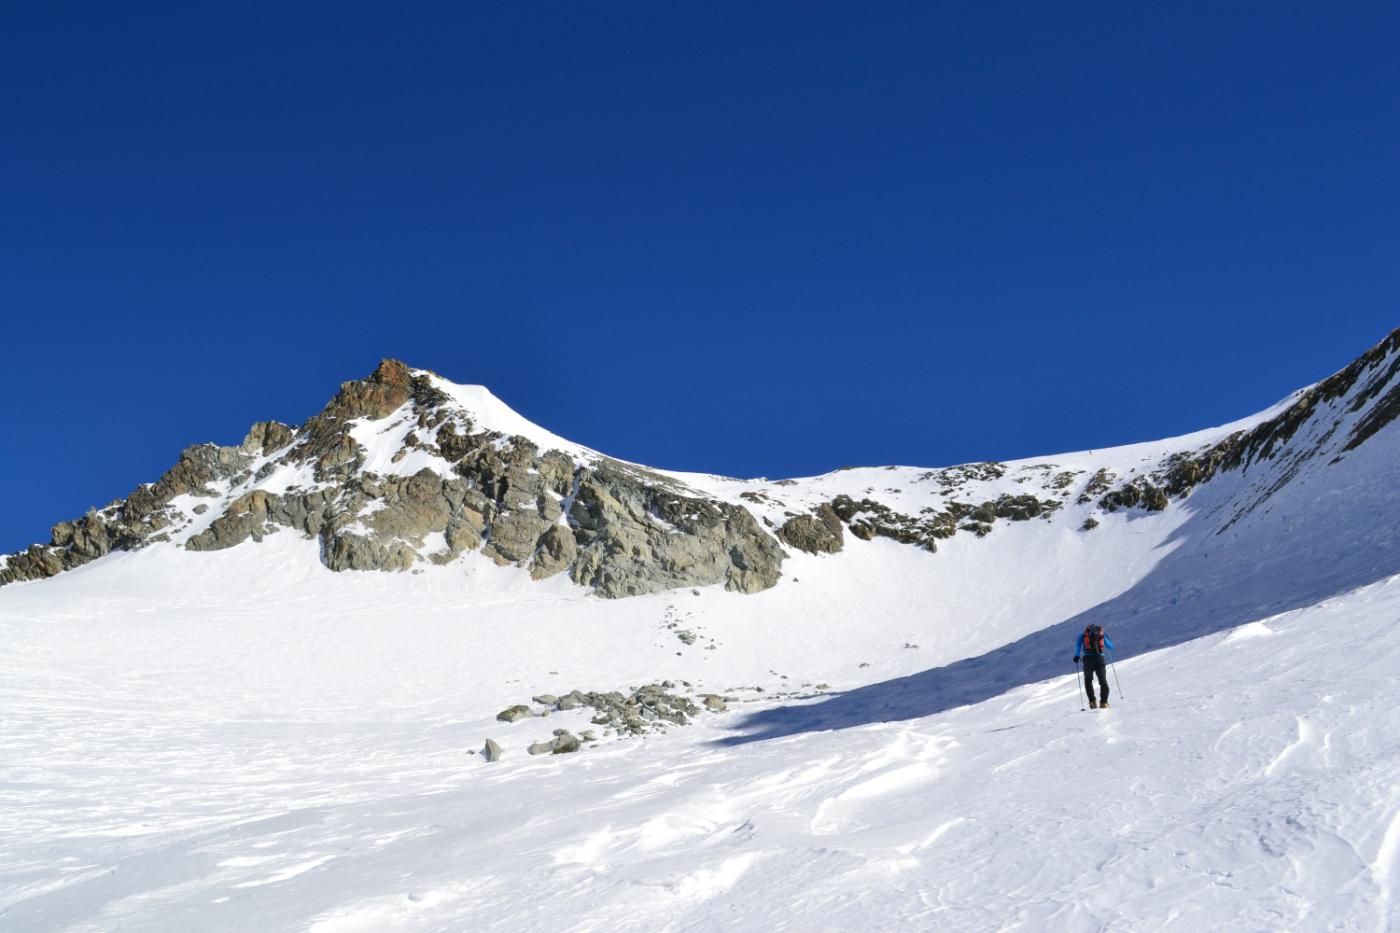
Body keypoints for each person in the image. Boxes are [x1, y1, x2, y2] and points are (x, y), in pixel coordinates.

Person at [1073, 624, 1114, 708]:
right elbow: (1110, 647)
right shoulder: (1102, 634)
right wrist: (1105, 637)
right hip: (1100, 659)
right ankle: (1104, 703)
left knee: (1088, 681)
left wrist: (1076, 656)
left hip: (1088, 659)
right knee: (1103, 681)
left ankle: (1092, 702)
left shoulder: (1083, 635)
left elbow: (1078, 646)